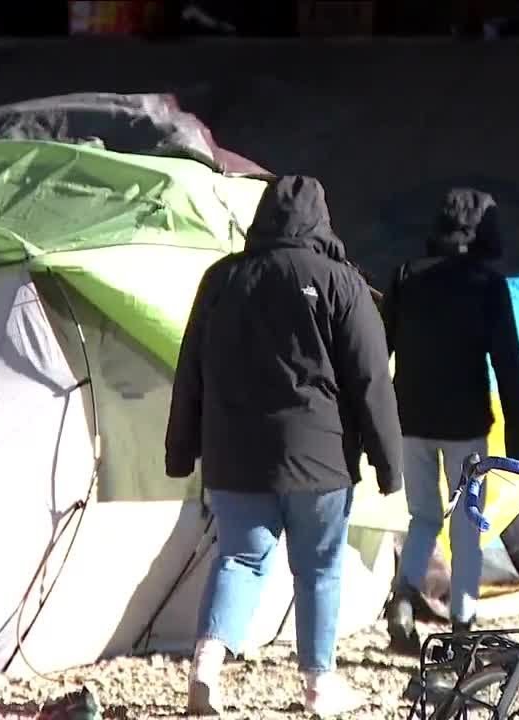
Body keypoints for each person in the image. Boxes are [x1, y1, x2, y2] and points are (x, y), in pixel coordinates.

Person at [165, 175, 404, 716]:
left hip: (235, 457)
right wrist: (389, 465)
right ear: (321, 219)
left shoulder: (221, 280)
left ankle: (207, 664)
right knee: (318, 569)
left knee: (240, 560)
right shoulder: (342, 282)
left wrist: (181, 449)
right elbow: (371, 379)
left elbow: (191, 373)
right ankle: (319, 686)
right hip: (320, 459)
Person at [378, 188, 519, 651]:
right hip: (465, 425)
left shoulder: (405, 276)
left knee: (423, 517)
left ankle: (404, 597)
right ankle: (462, 624)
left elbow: (379, 351)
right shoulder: (487, 285)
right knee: (468, 525)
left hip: (411, 419)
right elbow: (510, 366)